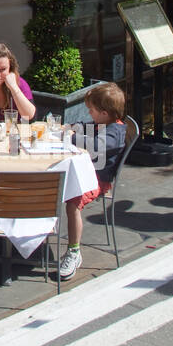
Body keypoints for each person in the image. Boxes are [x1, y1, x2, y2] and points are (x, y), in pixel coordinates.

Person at [60, 83, 128, 281]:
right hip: (85, 171)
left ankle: (74, 251)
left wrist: (71, 139)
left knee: (73, 203)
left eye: (91, 110)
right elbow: (84, 126)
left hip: (98, 179)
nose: (89, 113)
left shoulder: (115, 132)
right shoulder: (103, 123)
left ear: (104, 112)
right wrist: (70, 128)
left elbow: (95, 145)